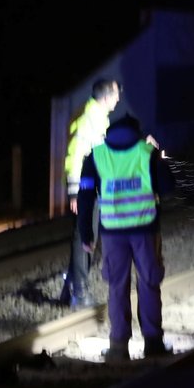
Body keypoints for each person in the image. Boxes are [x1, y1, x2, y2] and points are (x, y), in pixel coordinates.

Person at [76, 113, 176, 362]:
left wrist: (86, 233)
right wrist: (158, 156)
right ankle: (153, 343)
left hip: (112, 234)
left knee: (117, 287)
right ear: (137, 132)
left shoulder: (95, 156)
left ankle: (119, 347)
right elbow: (168, 187)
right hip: (145, 229)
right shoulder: (147, 152)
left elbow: (85, 197)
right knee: (149, 283)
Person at [62, 78, 121, 307]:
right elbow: (75, 155)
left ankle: (70, 290)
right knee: (84, 238)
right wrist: (74, 192)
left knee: (84, 236)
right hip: (85, 190)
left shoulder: (98, 119)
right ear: (105, 97)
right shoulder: (90, 122)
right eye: (115, 94)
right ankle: (80, 292)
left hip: (91, 188)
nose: (118, 99)